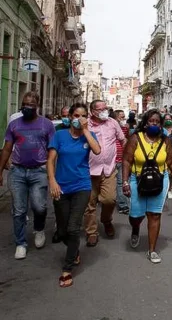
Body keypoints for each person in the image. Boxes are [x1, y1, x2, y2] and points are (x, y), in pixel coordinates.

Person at [47, 103, 101, 287]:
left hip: (81, 186)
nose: (79, 119)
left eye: (83, 115)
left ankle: (67, 268)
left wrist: (86, 130)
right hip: (61, 187)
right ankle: (74, 250)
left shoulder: (89, 135)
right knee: (62, 231)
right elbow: (51, 160)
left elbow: (97, 150)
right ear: (70, 117)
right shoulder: (59, 135)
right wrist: (52, 181)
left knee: (73, 227)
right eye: (76, 115)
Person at [0, 91, 55, 259]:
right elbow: (8, 148)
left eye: (31, 105)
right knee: (18, 210)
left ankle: (39, 229)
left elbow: (52, 150)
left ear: (37, 106)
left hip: (39, 171)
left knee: (39, 206)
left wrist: (52, 174)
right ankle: (21, 243)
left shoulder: (47, 124)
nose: (27, 107)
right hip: (17, 171)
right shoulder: (14, 124)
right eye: (24, 104)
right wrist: (0, 170)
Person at [122, 109, 172, 263]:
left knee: (154, 214)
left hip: (160, 180)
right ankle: (135, 229)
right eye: (151, 121)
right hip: (137, 180)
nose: (154, 124)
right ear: (145, 123)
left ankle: (152, 250)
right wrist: (125, 182)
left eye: (157, 121)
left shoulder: (165, 140)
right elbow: (127, 160)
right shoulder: (135, 138)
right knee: (136, 215)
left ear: (161, 124)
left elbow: (171, 162)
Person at [84, 100, 126, 247]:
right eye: (100, 109)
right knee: (90, 204)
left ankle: (106, 220)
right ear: (92, 111)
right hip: (88, 171)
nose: (104, 111)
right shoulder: (86, 125)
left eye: (105, 108)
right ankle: (91, 232)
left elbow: (122, 140)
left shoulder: (112, 123)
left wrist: (129, 157)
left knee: (109, 199)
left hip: (109, 169)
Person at [112, 110, 130, 214]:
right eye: (121, 117)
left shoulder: (125, 128)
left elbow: (126, 140)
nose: (123, 119)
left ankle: (123, 206)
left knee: (121, 182)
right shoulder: (110, 128)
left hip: (122, 159)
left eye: (124, 117)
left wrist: (127, 130)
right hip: (111, 160)